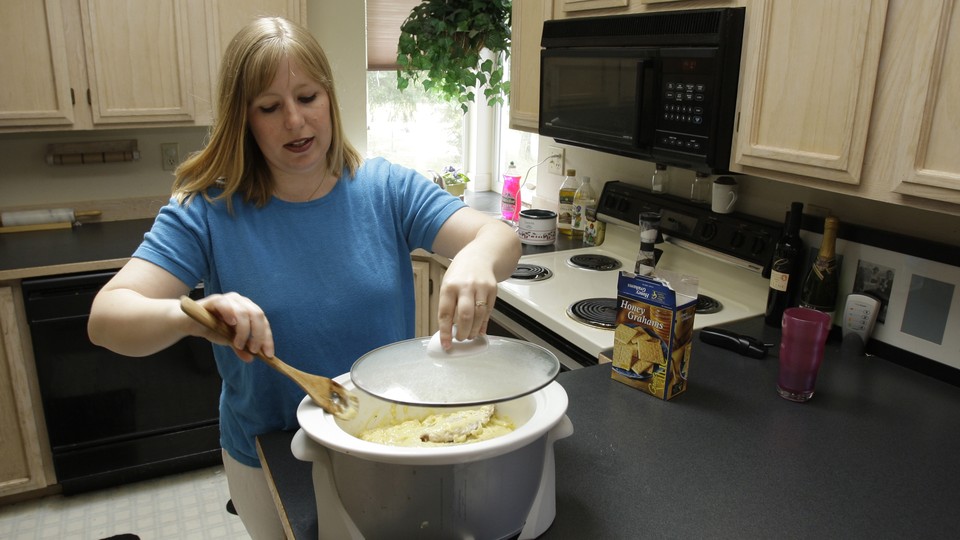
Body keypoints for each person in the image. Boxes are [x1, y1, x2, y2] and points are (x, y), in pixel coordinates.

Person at [88, 17, 521, 539]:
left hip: (387, 439)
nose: (295, 121)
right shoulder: (205, 212)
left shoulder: (386, 189)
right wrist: (191, 318)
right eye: (269, 108)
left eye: (308, 97)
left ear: (329, 99)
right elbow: (107, 318)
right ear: (242, 119)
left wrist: (476, 258)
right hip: (269, 452)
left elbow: (501, 239)